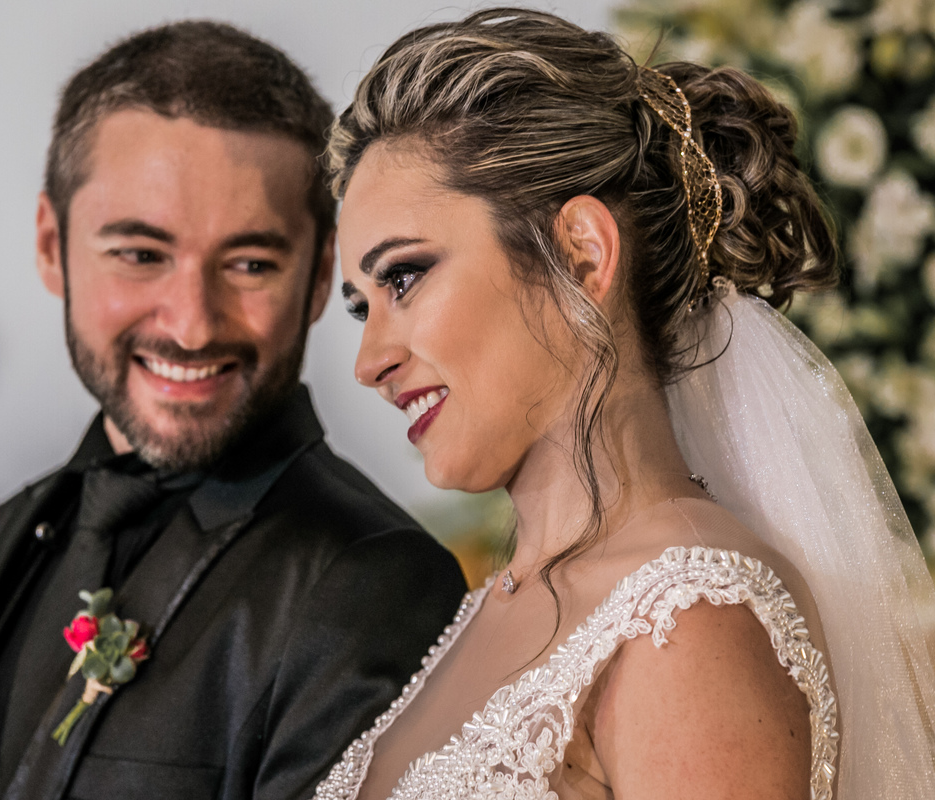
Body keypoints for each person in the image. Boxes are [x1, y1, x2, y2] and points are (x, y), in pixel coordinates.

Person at [316, 8, 935, 800]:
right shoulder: (491, 605)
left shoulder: (690, 619)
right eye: (362, 308)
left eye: (404, 278)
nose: (370, 362)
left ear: (582, 253)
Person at [0, 21, 467, 800]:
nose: (193, 325)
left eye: (250, 263)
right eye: (141, 255)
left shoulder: (375, 587)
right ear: (51, 244)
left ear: (318, 278)